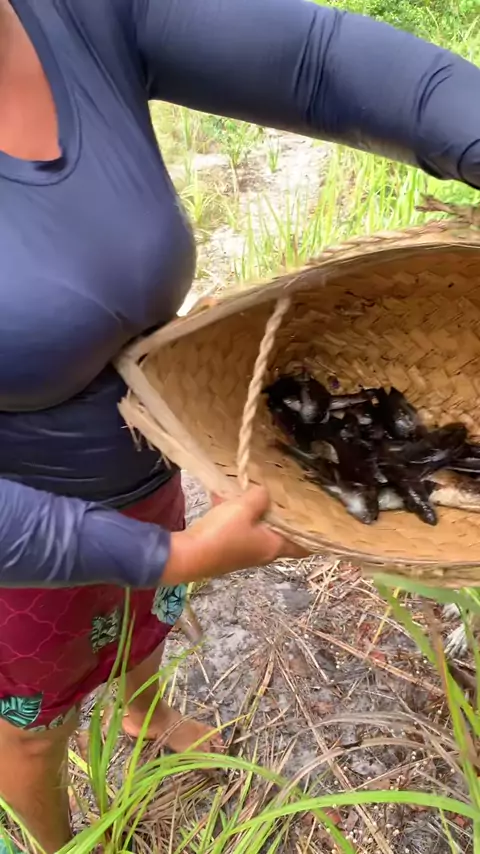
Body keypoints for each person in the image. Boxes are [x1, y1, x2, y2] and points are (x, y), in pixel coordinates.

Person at [0, 0, 478, 850]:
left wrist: (165, 554)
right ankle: (58, 841)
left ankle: (144, 713)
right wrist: (171, 555)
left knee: (145, 619)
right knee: (32, 721)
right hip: (20, 555)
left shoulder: (71, 10)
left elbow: (321, 61)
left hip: (152, 456)